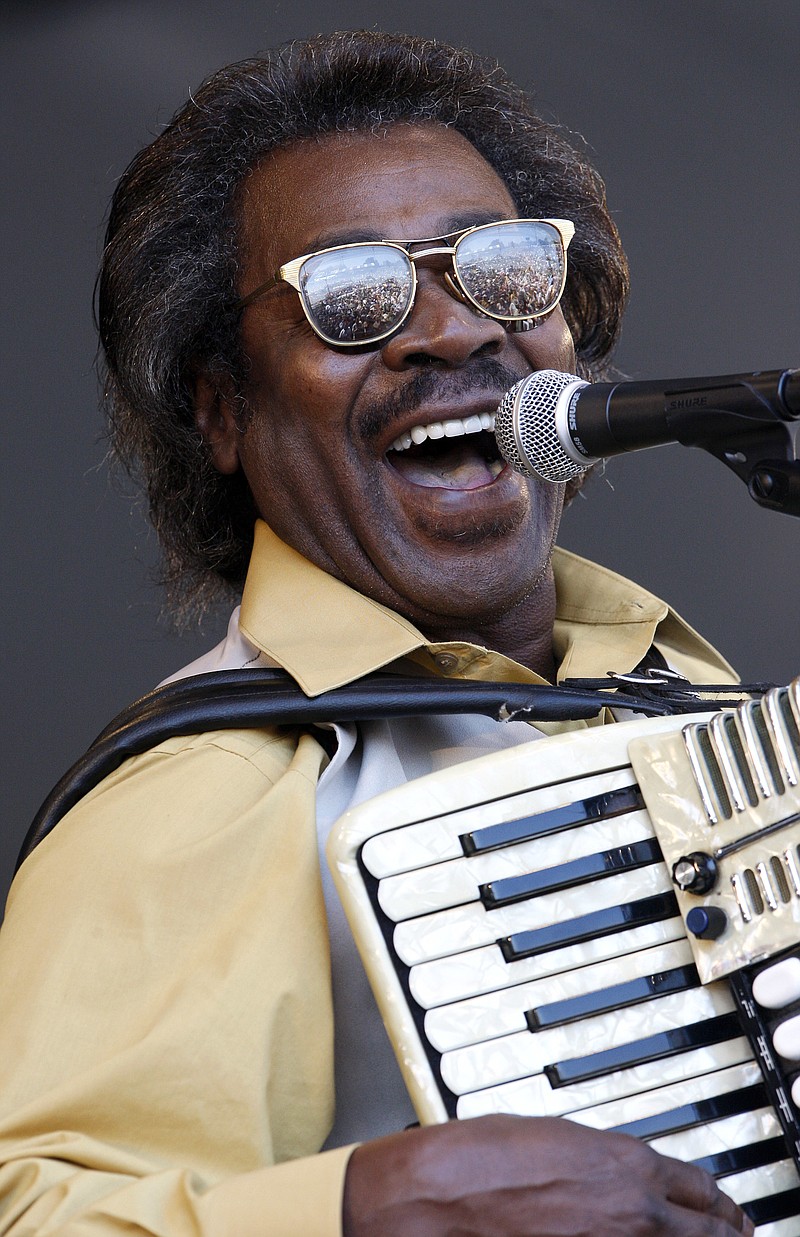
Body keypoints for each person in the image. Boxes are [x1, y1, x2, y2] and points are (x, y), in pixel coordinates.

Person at [2, 27, 794, 1236]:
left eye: (503, 270)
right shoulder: (207, 798)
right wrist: (374, 1208)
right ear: (222, 408)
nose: (454, 331)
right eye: (355, 295)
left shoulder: (686, 698)